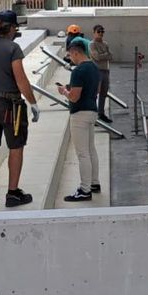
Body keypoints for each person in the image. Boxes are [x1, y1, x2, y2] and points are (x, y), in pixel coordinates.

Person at [0, 10, 41, 207]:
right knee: (15, 146)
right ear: (12, 28)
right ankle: (12, 193)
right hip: (9, 105)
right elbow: (21, 80)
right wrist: (33, 102)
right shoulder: (13, 48)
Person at [57, 42, 101, 202]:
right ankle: (94, 183)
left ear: (75, 53)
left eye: (70, 55)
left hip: (79, 114)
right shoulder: (94, 67)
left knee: (82, 153)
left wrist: (64, 91)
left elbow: (74, 96)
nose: (70, 59)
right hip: (92, 111)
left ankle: (84, 189)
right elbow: (96, 90)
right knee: (91, 150)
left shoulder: (78, 71)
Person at [90, 24, 113, 123]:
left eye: (102, 31)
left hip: (105, 70)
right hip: (97, 71)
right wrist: (105, 55)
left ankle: (101, 113)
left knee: (104, 93)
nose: (100, 33)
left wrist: (104, 55)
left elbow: (111, 56)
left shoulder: (105, 44)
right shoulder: (92, 44)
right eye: (98, 31)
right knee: (96, 94)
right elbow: (97, 57)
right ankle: (93, 115)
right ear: (94, 33)